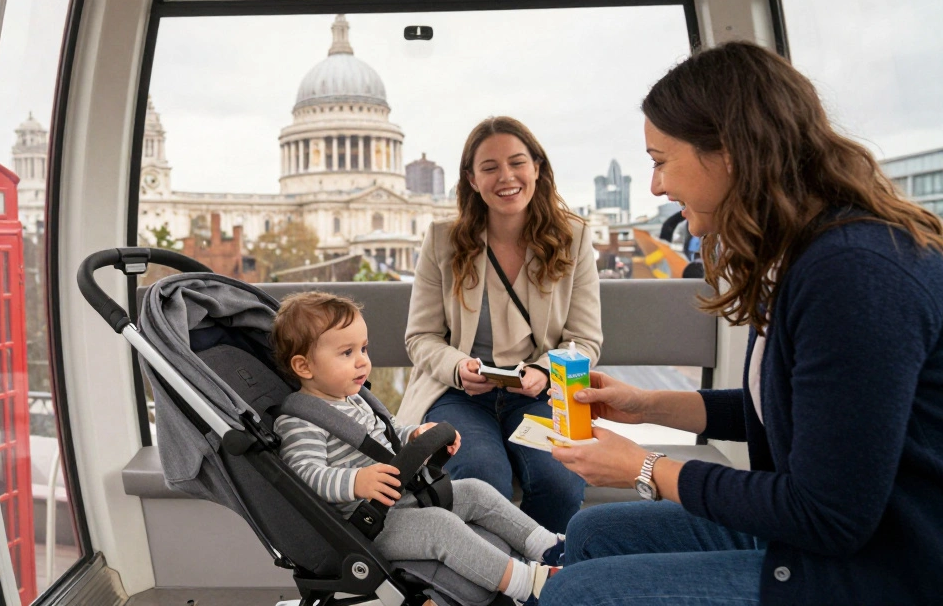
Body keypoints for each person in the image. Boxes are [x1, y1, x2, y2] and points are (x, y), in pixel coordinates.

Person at [539, 41, 943, 605]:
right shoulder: (797, 256)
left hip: (881, 564)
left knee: (577, 595)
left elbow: (829, 515)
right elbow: (793, 407)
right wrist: (646, 406)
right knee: (591, 532)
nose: (655, 186)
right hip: (822, 534)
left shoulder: (854, 275)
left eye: (660, 161)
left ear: (728, 152)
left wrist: (646, 467)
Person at [272, 292, 562, 604]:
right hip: (367, 524)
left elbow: (391, 431)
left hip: (404, 500)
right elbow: (304, 476)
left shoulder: (355, 398)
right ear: (304, 366)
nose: (362, 361)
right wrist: (357, 482)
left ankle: (550, 547)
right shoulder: (299, 421)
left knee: (476, 491)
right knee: (441, 527)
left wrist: (417, 435)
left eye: (363, 349)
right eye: (346, 353)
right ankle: (526, 585)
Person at [400, 116, 603, 532]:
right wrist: (458, 366)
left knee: (559, 481)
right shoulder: (442, 239)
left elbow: (584, 339)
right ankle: (493, 585)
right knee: (480, 476)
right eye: (490, 167)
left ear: (537, 169)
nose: (506, 177)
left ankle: (544, 577)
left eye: (517, 163)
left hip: (537, 395)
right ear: (472, 180)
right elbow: (421, 337)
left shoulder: (574, 238)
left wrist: (543, 371)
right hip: (460, 394)